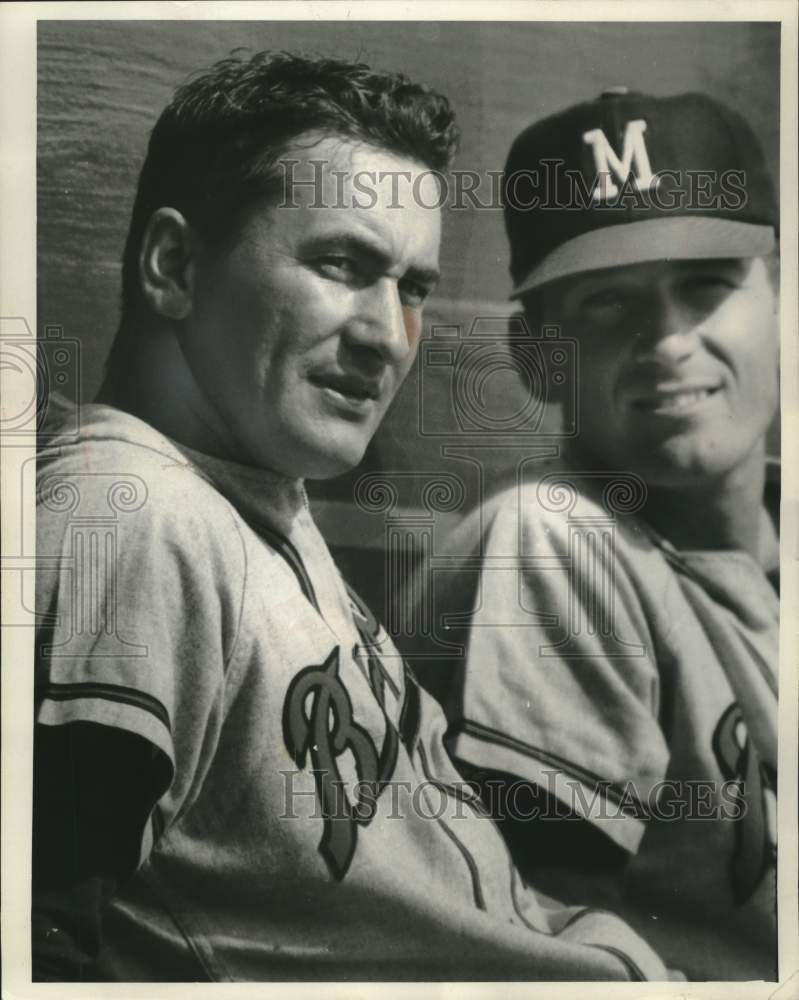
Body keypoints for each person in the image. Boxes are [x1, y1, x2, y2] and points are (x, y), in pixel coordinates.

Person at [32, 54, 671, 982]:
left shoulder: (243, 498)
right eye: (341, 264)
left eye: (411, 288)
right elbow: (37, 946)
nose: (386, 336)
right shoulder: (129, 511)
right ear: (174, 266)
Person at [429, 89, 779, 981]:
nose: (666, 340)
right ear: (535, 357)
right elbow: (541, 961)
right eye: (606, 303)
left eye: (704, 285)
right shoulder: (552, 540)